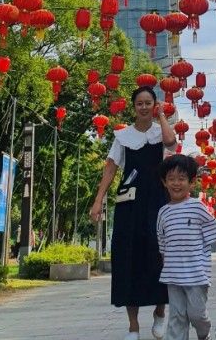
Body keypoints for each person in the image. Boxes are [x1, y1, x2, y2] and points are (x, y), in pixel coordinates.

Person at [90, 86, 177, 340]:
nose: (144, 107)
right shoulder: (122, 137)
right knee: (128, 257)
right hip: (129, 202)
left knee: (158, 254)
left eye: (148, 102)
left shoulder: (159, 133)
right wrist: (98, 201)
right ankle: (133, 326)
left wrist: (162, 116)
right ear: (134, 107)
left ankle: (160, 311)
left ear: (154, 104)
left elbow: (172, 142)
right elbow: (110, 170)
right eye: (139, 103)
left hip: (158, 200)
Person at [156, 154, 216, 340]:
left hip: (196, 274)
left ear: (192, 182)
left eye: (181, 179)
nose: (176, 183)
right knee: (177, 316)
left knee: (197, 315)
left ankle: (204, 334)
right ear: (164, 182)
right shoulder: (163, 212)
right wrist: (165, 264)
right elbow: (162, 241)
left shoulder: (197, 207)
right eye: (171, 179)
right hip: (173, 275)